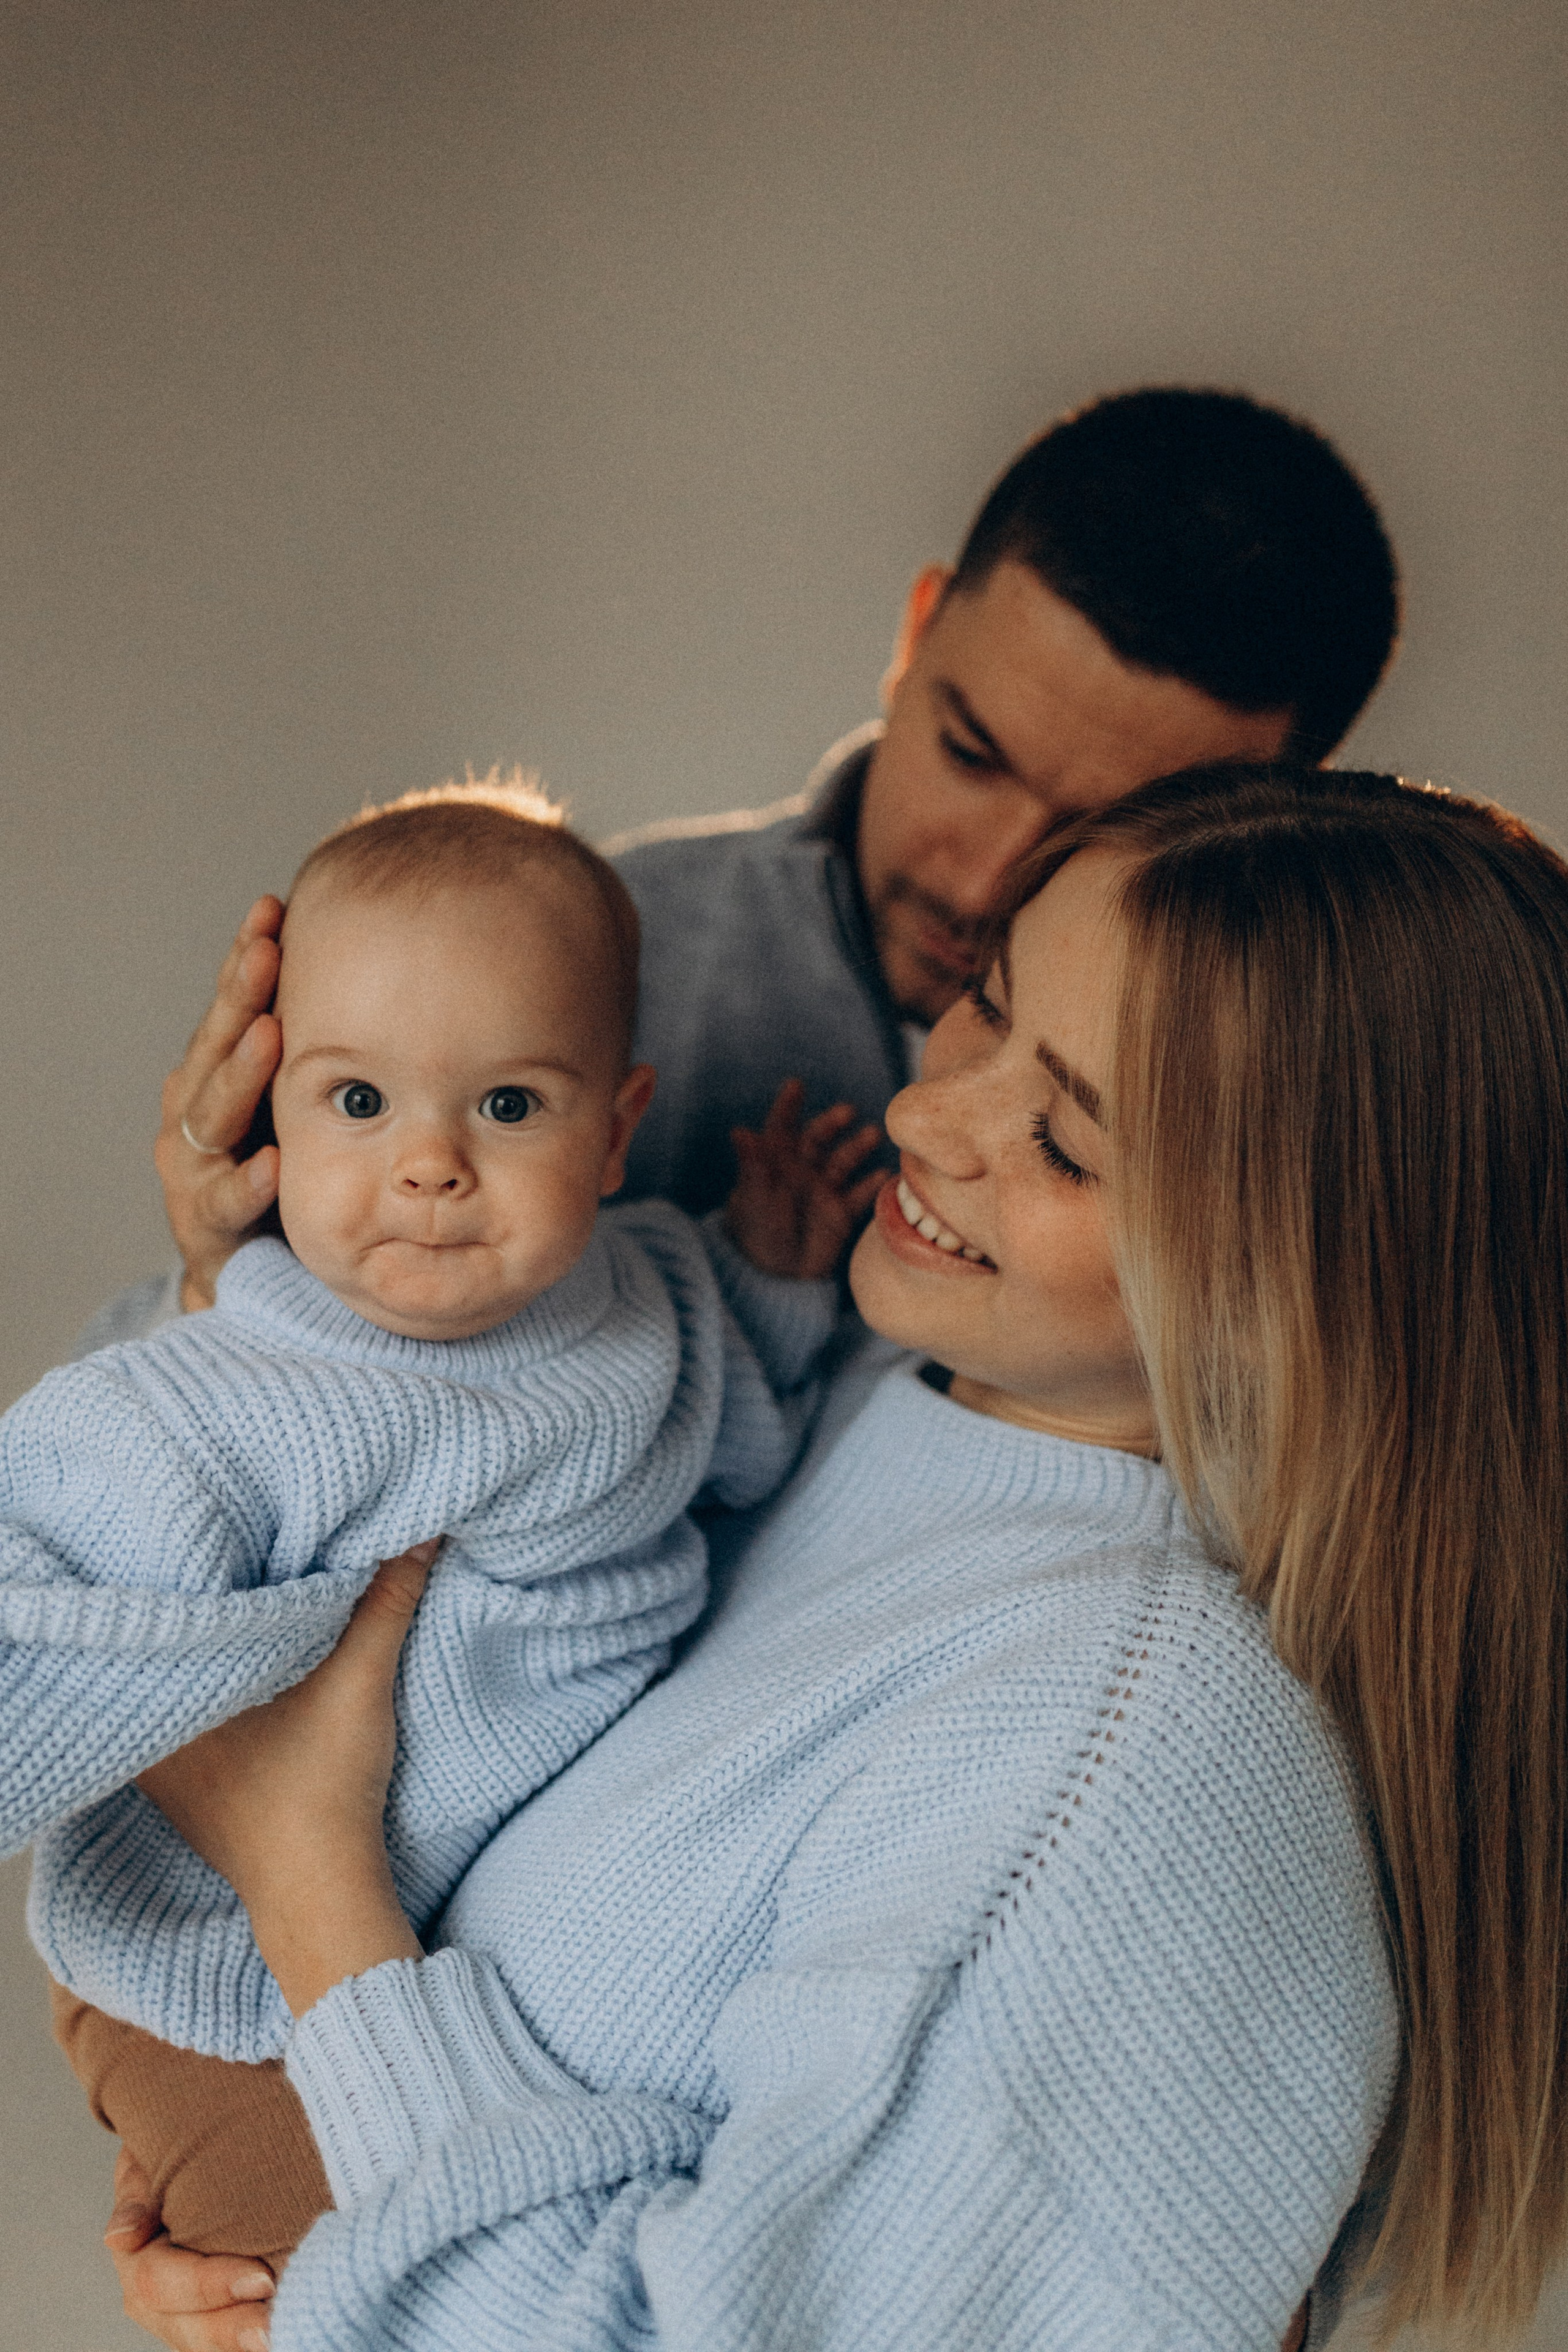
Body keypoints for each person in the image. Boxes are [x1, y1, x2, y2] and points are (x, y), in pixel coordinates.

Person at [109, 766, 1568, 2350]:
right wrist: (244, 1279)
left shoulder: (1145, 1773)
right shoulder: (873, 1389)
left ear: (1305, 1291)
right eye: (983, 1003)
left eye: (1066, 1143)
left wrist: (300, 1878)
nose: (928, 1113)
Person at [6, 778, 881, 2267]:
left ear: (616, 1133)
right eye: (358, 1102)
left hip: (453, 1921)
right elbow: (53, 1577)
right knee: (309, 2263)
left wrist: (782, 1273)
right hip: (221, 1971)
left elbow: (738, 1413)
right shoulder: (255, 1386)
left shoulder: (647, 1285)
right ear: (267, 1117)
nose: (429, 1164)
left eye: (508, 1106)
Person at [81, 385, 1398, 1346]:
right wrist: (217, 1272)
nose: (987, 877)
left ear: (1258, 819)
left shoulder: (1282, 1147)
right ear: (916, 628)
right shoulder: (585, 955)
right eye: (970, 752)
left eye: (1096, 828)